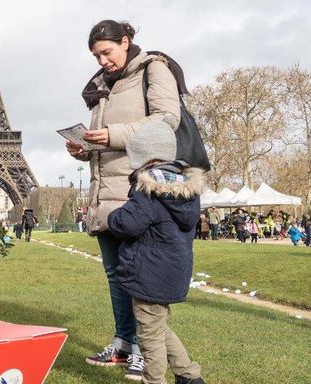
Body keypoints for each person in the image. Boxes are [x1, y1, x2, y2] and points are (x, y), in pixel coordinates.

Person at [66, 20, 184, 378]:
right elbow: (106, 145)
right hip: (105, 194)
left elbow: (167, 120)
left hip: (137, 196)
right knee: (116, 277)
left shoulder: (154, 69)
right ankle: (124, 343)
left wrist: (112, 134)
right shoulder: (104, 87)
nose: (102, 60)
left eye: (107, 51)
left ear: (126, 41)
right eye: (96, 55)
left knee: (140, 282)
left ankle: (146, 353)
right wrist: (84, 149)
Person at [108, 120, 205, 384]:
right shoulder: (186, 191)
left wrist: (113, 215)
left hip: (148, 273)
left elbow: (128, 223)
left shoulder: (148, 190)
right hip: (172, 272)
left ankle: (155, 380)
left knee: (149, 336)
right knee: (158, 327)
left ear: (142, 156)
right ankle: (189, 375)